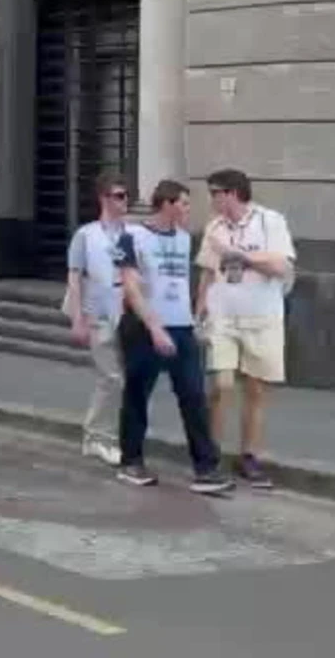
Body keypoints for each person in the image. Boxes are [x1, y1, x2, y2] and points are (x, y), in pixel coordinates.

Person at [110, 180, 232, 493]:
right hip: (142, 327)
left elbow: (177, 283)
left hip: (181, 326)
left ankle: (206, 467)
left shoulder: (182, 238)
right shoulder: (132, 237)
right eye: (185, 203)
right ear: (167, 204)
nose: (189, 210)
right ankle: (131, 460)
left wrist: (194, 319)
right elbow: (132, 288)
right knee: (138, 394)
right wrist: (153, 327)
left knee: (193, 395)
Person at [196, 168, 295, 490]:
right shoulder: (214, 228)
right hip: (223, 316)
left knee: (256, 388)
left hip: (262, 316)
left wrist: (241, 256)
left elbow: (281, 266)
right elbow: (208, 273)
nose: (211, 199)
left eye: (215, 193)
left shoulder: (270, 221)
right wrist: (198, 311)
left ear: (233, 193)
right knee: (221, 385)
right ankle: (209, 454)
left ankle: (249, 455)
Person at [62, 172, 129, 467]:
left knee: (119, 379)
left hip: (125, 314)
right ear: (104, 199)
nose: (125, 201)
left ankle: (107, 434)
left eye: (126, 195)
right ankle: (97, 436)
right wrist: (78, 318)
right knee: (111, 377)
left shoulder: (131, 233)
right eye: (119, 195)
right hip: (97, 314)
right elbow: (75, 278)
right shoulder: (86, 235)